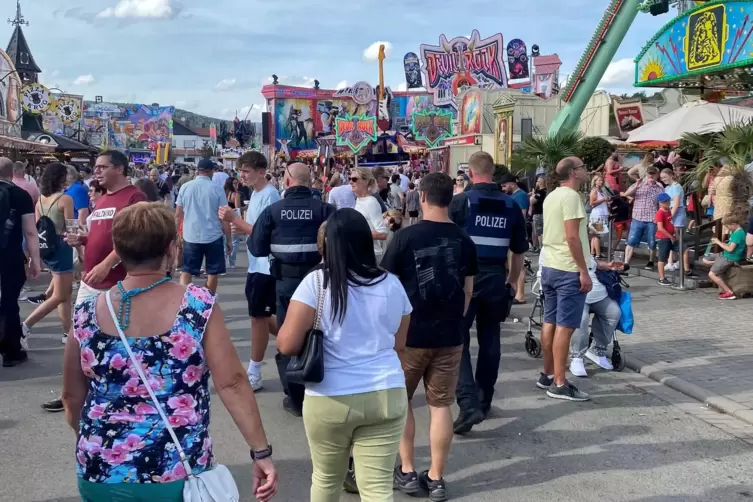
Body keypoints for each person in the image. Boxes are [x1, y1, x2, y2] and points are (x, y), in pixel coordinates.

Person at [61, 203, 278, 502]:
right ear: (171, 249)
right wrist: (260, 452)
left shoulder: (84, 313)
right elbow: (232, 384)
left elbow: (72, 397)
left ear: (119, 251)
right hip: (176, 471)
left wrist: (94, 442)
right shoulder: (196, 305)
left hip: (99, 471)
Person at [277, 209, 411, 501]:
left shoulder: (316, 284)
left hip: (330, 398)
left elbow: (286, 344)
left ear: (326, 245)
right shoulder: (391, 283)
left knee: (326, 480)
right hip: (386, 392)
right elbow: (399, 343)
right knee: (377, 488)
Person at [381, 172, 478, 501]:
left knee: (402, 402)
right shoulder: (465, 240)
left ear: (421, 197)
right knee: (440, 406)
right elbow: (468, 291)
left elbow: (385, 286)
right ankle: (436, 477)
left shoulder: (405, 238)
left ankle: (407, 470)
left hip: (408, 336)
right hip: (450, 334)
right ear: (450, 198)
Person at [52, 150, 148, 413]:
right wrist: (83, 240)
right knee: (79, 335)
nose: (97, 172)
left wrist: (107, 264)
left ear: (119, 169)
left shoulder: (134, 197)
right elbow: (99, 233)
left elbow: (136, 238)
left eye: (102, 167)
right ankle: (73, 391)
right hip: (92, 279)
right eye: (96, 167)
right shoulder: (103, 199)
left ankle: (118, 392)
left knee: (118, 339)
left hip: (117, 281)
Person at [449, 151, 527, 435]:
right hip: (496, 278)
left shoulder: (460, 202)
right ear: (492, 173)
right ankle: (483, 400)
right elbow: (518, 252)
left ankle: (468, 403)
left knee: (458, 340)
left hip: (464, 281)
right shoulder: (510, 206)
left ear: (470, 173)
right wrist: (511, 283)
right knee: (490, 338)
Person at [249, 162, 335, 417]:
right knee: (325, 334)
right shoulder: (326, 210)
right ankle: (327, 390)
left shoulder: (273, 211)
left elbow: (257, 249)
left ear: (286, 181)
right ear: (310, 182)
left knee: (289, 339)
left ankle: (296, 399)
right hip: (322, 282)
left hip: (286, 285)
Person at [219, 152, 281, 392]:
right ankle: (297, 341)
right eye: (240, 171)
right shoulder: (256, 194)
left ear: (260, 171)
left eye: (246, 171)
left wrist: (236, 220)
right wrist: (238, 228)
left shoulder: (270, 194)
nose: (241, 176)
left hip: (266, 264)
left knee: (258, 318)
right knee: (260, 316)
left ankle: (255, 370)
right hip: (257, 263)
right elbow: (253, 229)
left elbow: (266, 231)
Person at [538, 156, 591, 402]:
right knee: (565, 326)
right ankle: (560, 381)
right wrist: (583, 270)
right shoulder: (571, 197)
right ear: (573, 173)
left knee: (550, 320)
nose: (586, 170)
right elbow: (572, 237)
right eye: (582, 167)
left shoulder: (552, 195)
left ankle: (547, 373)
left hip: (550, 264)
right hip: (567, 268)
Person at [22, 163, 75, 346]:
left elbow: (38, 227)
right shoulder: (65, 199)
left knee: (65, 294)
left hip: (47, 248)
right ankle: (26, 326)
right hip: (63, 247)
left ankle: (68, 333)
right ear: (60, 178)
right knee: (60, 295)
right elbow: (71, 227)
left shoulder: (40, 201)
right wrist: (81, 251)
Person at [0, 157, 40, 367]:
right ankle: (11, 351)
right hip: (11, 255)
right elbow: (31, 232)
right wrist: (35, 260)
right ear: (12, 172)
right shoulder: (21, 195)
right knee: (8, 302)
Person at [176, 158, 231, 293]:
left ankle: (184, 299)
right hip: (213, 235)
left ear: (198, 171)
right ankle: (208, 300)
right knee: (212, 272)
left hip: (191, 234)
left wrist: (177, 233)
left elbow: (178, 214)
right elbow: (224, 216)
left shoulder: (186, 187)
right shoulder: (217, 189)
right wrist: (229, 239)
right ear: (211, 171)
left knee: (187, 271)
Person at [568, 255, 622, 377]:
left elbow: (591, 262)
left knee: (614, 312)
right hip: (577, 294)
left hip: (599, 294)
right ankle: (577, 357)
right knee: (582, 319)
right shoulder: (565, 244)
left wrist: (606, 265)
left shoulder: (583, 242)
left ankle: (597, 351)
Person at [623, 167, 663, 270]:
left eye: (653, 174)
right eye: (649, 174)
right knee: (631, 241)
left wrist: (659, 217)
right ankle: (626, 262)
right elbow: (626, 194)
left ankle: (651, 261)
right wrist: (636, 185)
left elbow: (662, 203)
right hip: (638, 217)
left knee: (652, 242)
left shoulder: (659, 187)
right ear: (646, 174)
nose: (651, 176)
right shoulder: (639, 184)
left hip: (651, 218)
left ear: (656, 175)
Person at [500, 173, 529, 304]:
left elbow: (522, 217)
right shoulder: (513, 196)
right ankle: (515, 291)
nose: (503, 189)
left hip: (517, 235)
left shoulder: (521, 196)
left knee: (519, 265)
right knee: (512, 265)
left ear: (512, 184)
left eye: (505, 186)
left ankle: (520, 295)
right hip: (511, 235)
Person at [351, 167, 389, 262]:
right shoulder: (359, 200)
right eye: (350, 179)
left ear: (366, 181)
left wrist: (354, 232)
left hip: (371, 255)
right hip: (361, 253)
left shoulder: (371, 202)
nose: (351, 182)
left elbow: (383, 234)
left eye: (354, 179)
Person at [704, 214, 746, 300]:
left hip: (729, 257)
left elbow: (730, 249)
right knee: (705, 259)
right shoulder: (735, 232)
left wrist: (718, 242)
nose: (727, 228)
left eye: (727, 226)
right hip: (724, 254)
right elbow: (729, 245)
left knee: (711, 274)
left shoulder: (738, 234)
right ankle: (716, 264)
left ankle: (729, 292)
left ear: (733, 224)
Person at [588, 174, 610, 258]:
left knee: (594, 235)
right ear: (595, 181)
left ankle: (593, 253)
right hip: (597, 214)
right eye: (599, 180)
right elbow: (592, 203)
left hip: (602, 213)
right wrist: (603, 199)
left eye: (602, 180)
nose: (601, 182)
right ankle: (597, 253)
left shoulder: (601, 191)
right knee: (597, 235)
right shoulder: (594, 191)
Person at [224, 177, 242, 268]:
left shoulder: (224, 194)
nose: (237, 185)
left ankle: (224, 260)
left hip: (224, 220)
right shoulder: (236, 195)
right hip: (233, 219)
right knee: (234, 242)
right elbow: (237, 210)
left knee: (225, 241)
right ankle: (232, 262)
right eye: (235, 183)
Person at [529, 174, 547, 252]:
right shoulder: (545, 191)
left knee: (539, 232)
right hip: (543, 213)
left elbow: (533, 201)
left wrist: (532, 196)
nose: (537, 182)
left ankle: (541, 248)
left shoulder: (540, 192)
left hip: (538, 213)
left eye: (538, 181)